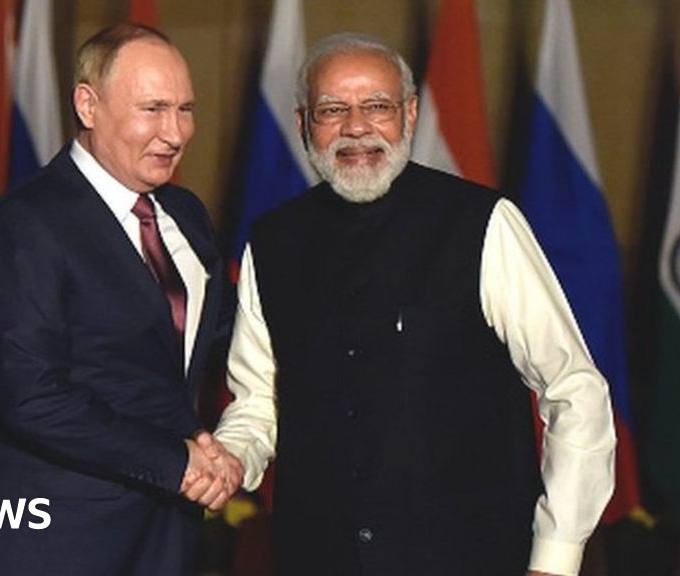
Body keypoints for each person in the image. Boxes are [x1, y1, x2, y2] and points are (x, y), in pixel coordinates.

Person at [214, 33, 616, 576]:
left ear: (409, 114)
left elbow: (575, 390)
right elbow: (258, 403)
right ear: (304, 122)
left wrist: (556, 557)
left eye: (376, 106)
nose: (356, 127)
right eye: (333, 109)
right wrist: (229, 459)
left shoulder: (482, 224)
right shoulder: (271, 242)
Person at [0, 23, 243, 576]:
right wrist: (176, 462)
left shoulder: (187, 216)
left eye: (185, 109)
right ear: (88, 104)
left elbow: (202, 343)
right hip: (51, 541)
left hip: (163, 539)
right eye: (152, 109)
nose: (175, 132)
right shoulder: (25, 223)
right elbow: (31, 397)